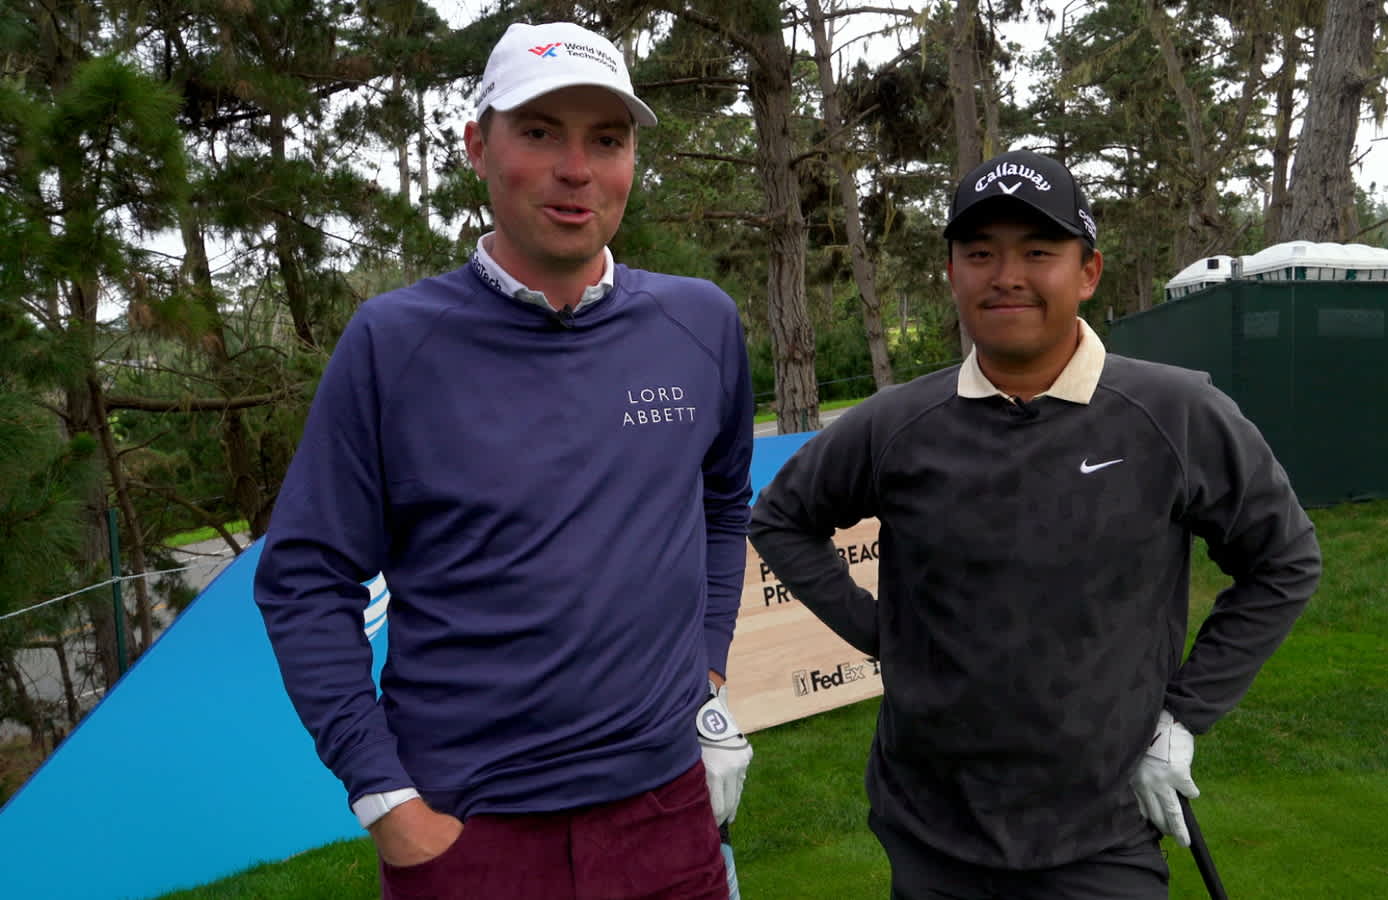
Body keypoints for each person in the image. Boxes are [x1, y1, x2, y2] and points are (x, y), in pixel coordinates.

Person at [254, 21, 754, 900]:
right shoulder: (393, 344)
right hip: (469, 835)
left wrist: (706, 666)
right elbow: (305, 578)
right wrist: (387, 801)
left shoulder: (699, 323)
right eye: (540, 133)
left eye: (607, 139)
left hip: (668, 816)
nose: (578, 169)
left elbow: (721, 502)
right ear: (477, 145)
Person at [748, 150, 1321, 899]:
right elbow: (782, 518)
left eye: (1038, 253)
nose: (1005, 275)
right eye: (979, 254)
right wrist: (880, 632)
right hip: (931, 827)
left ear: (1087, 272)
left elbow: (1283, 561)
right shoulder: (898, 423)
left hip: (1103, 827)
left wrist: (1182, 715)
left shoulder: (1177, 412)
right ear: (951, 275)